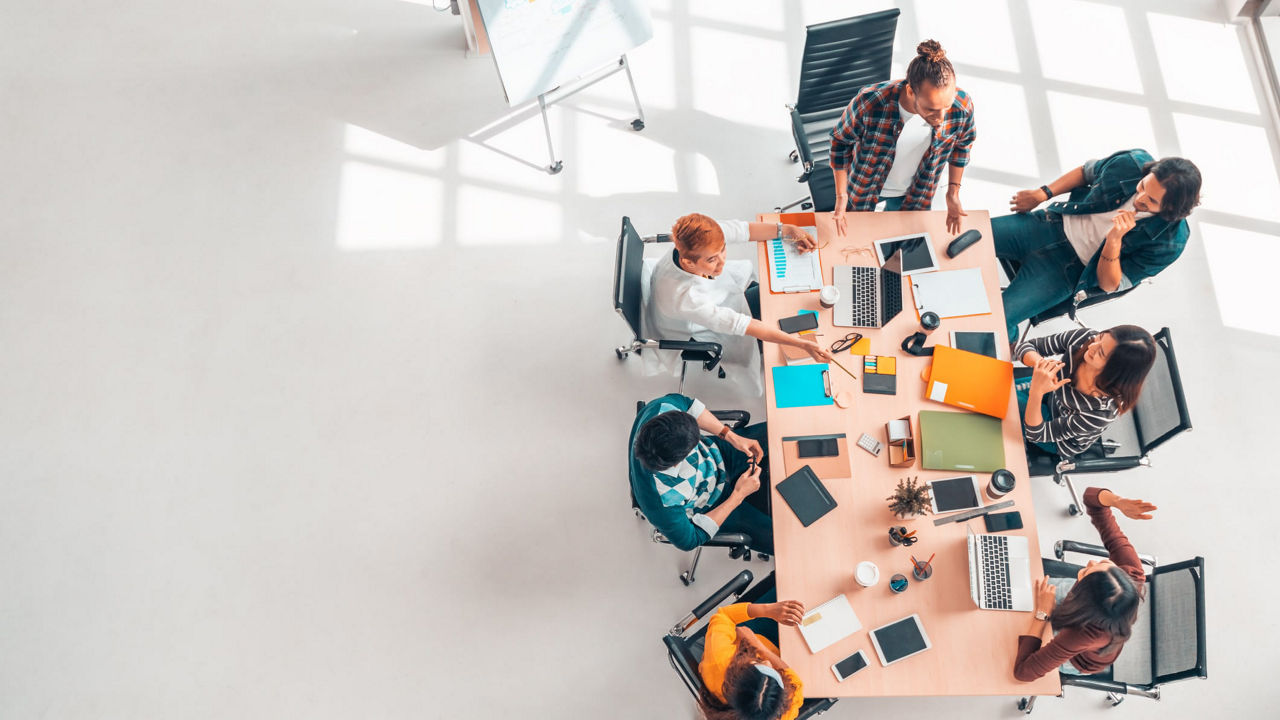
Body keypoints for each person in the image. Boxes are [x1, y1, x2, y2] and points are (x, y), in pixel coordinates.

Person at [995, 149, 1202, 341]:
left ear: (1171, 209)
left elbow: (1109, 285)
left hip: (1068, 270)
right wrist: (1043, 193)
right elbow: (1086, 173)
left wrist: (1113, 242)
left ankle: (1010, 342)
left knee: (998, 319)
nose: (1140, 198)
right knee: (966, 235)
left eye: (1152, 201)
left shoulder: (1171, 242)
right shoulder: (1131, 163)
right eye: (1143, 186)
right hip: (1048, 224)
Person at [828, 39, 976, 235]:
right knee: (857, 238)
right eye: (931, 109)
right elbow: (840, 142)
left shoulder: (961, 106)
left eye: (946, 107)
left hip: (917, 191)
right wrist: (841, 195)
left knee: (902, 243)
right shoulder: (871, 101)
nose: (941, 118)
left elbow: (963, 145)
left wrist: (953, 192)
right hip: (866, 185)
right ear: (910, 91)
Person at [1013, 487, 1156, 681]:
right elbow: (1092, 500)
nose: (1091, 562)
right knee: (1015, 589)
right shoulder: (1131, 572)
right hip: (1089, 612)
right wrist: (1117, 501)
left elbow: (1024, 672)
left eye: (1091, 571)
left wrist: (1042, 614)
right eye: (1105, 565)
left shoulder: (1085, 634)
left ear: (1085, 596)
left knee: (1011, 629)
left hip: (1075, 657)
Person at [630, 393, 773, 553]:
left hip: (717, 453)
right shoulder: (661, 501)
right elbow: (689, 540)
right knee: (781, 540)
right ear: (679, 461)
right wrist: (738, 495)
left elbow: (689, 405)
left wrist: (731, 436)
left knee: (782, 430)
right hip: (711, 503)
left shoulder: (661, 409)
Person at [1014, 326, 1157, 458]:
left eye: (1101, 353)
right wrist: (1043, 366)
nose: (1092, 346)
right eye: (1100, 337)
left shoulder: (1100, 413)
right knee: (998, 388)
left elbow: (1037, 434)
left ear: (1115, 371)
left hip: (1056, 438)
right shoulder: (1086, 338)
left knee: (1003, 398)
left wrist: (1037, 392)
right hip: (1052, 394)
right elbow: (1025, 347)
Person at [699, 597, 806, 720]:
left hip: (745, 640)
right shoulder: (783, 709)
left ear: (738, 674)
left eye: (757, 664)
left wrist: (768, 610)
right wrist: (759, 647)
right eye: (774, 673)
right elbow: (795, 684)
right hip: (769, 646)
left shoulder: (719, 660)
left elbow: (724, 615)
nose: (767, 662)